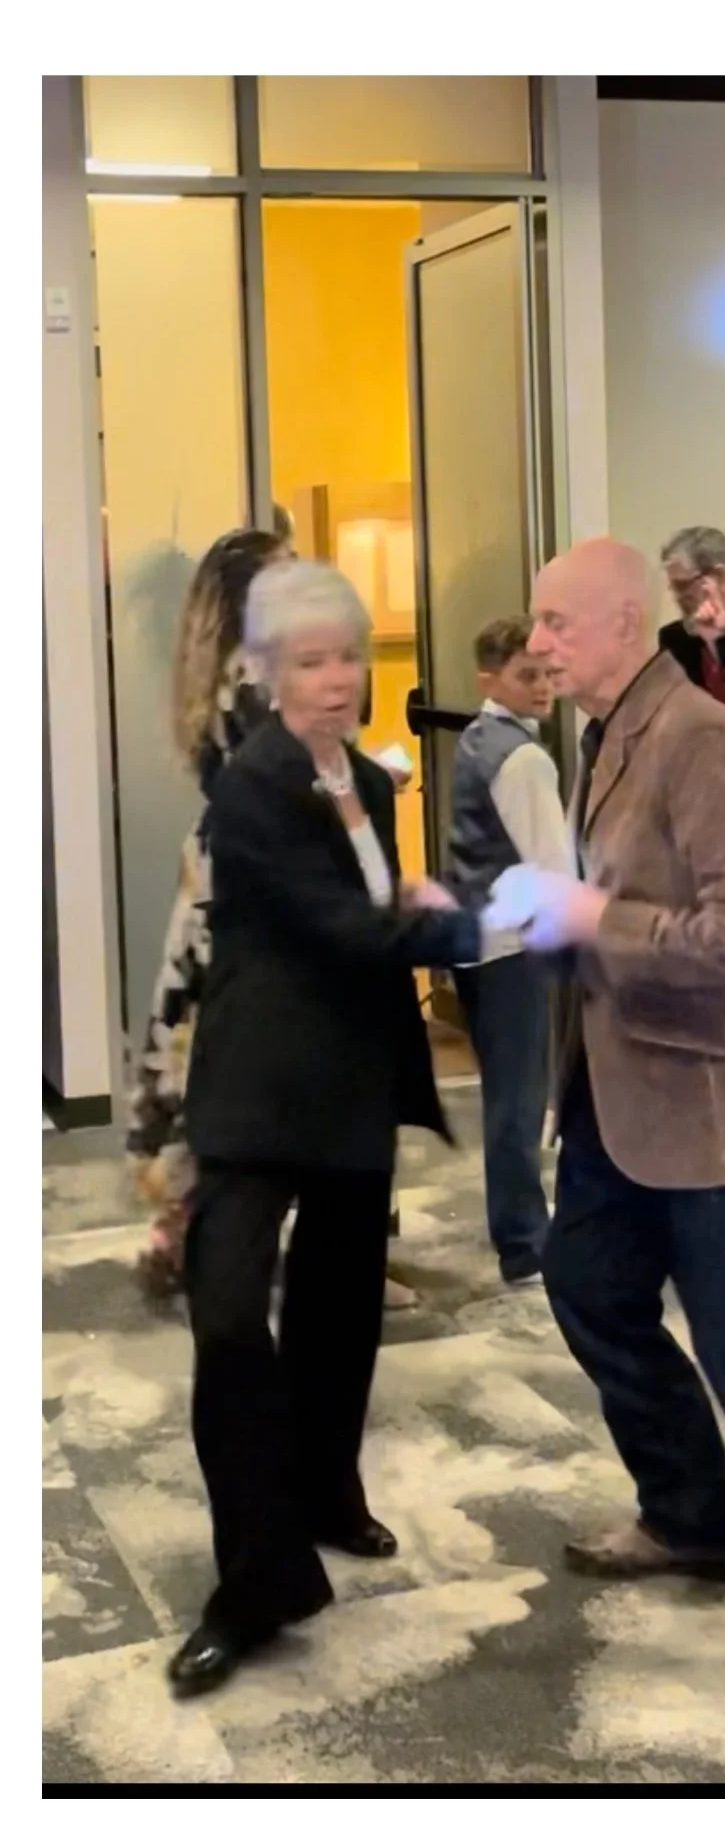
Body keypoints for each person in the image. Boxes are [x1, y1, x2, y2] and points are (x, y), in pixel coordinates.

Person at [491, 537, 725, 1677]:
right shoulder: (605, 734)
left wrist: (593, 920)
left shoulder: (694, 740)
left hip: (716, 1099)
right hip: (619, 1092)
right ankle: (687, 1513)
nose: (536, 642)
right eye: (535, 624)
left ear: (623, 617)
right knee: (591, 1290)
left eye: (555, 621)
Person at [169, 558, 490, 1699]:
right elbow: (338, 923)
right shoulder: (249, 784)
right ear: (265, 672)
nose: (336, 678)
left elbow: (377, 904)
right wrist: (462, 920)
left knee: (338, 1314)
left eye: (347, 655)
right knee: (226, 1322)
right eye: (310, 660)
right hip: (256, 1094)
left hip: (352, 1081)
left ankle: (327, 1494)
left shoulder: (369, 775)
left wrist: (420, 907)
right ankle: (252, 1579)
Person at [128, 527, 416, 1310]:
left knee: (223, 1069)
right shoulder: (255, 685)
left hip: (225, 887)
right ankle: (268, 1243)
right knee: (307, 1062)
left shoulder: (224, 679)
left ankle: (192, 1226)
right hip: (263, 891)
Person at [446, 616, 572, 1285]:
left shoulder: (474, 739)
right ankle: (525, 1240)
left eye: (550, 673)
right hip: (511, 944)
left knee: (506, 1092)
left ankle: (518, 1225)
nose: (545, 687)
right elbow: (550, 866)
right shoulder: (523, 758)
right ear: (490, 677)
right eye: (529, 675)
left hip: (473, 939)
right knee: (519, 1098)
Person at [659, 526, 725, 725]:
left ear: (720, 576)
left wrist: (722, 641)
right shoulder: (675, 639)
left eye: (682, 585)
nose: (676, 596)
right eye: (672, 586)